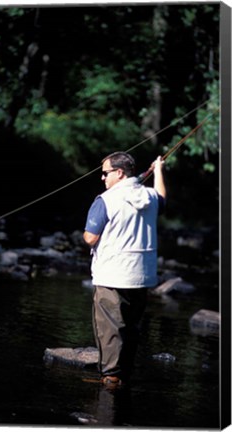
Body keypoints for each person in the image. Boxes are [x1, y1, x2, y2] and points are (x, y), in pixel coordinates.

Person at [83, 151, 166, 388]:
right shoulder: (150, 197)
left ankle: (110, 377)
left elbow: (90, 238)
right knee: (132, 327)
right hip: (142, 275)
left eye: (106, 173)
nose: (102, 178)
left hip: (111, 275)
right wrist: (159, 170)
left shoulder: (105, 200)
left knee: (110, 329)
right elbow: (162, 198)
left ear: (119, 173)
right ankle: (124, 375)